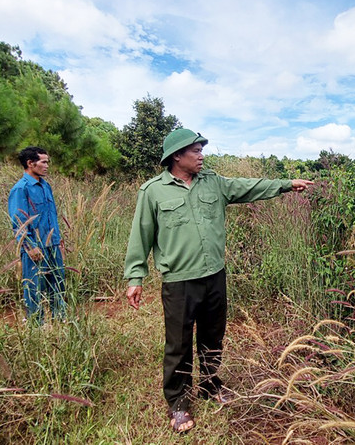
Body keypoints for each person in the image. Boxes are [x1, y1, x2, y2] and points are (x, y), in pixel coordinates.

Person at [124, 128, 313, 434]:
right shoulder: (153, 192)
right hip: (179, 281)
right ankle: (179, 403)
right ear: (177, 156)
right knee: (179, 344)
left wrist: (286, 185)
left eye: (201, 150)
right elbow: (141, 235)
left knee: (213, 337)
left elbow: (248, 187)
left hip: (214, 276)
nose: (201, 156)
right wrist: (135, 276)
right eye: (195, 151)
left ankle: (211, 386)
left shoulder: (214, 183)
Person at [8, 146, 66, 325]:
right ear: (30, 163)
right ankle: (36, 325)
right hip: (35, 247)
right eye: (44, 162)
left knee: (57, 284)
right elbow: (18, 222)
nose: (47, 165)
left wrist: (58, 241)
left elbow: (51, 216)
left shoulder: (45, 186)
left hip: (53, 245)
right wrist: (30, 246)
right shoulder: (21, 189)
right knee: (34, 287)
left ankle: (60, 321)